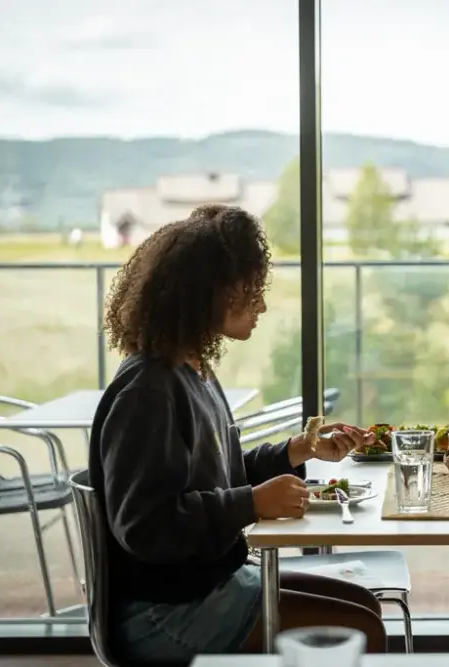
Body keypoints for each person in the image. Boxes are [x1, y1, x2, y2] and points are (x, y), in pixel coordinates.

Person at [88, 204, 387, 663]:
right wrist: (251, 503)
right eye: (250, 289)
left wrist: (297, 449)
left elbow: (215, 478)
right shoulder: (149, 391)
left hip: (209, 585)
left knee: (365, 607)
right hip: (166, 611)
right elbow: (145, 526)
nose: (261, 304)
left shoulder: (193, 371)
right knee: (361, 629)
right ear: (209, 293)